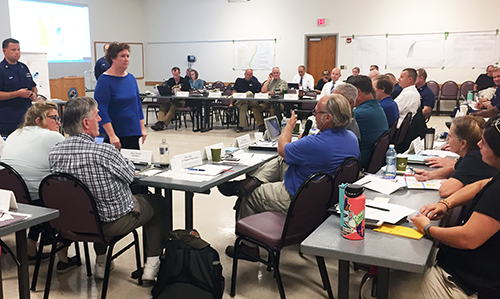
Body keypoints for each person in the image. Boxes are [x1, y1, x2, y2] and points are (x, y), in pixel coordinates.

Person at [362, 114, 500, 299]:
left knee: (371, 290)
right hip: (464, 269)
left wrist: (427, 228)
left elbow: (468, 238)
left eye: (484, 143)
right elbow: (480, 184)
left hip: (465, 284)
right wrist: (445, 204)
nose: (479, 145)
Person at [219, 94, 360, 260]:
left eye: (316, 112)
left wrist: (288, 126)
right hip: (324, 196)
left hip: (297, 197)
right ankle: (253, 180)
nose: (314, 115)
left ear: (328, 117)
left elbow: (282, 148)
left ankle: (247, 248)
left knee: (251, 195)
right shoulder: (351, 137)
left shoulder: (316, 144)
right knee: (281, 161)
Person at [49, 97, 169, 281]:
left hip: (73, 221)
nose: (100, 120)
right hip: (110, 223)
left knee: (93, 204)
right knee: (159, 204)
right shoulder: (104, 152)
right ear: (86, 122)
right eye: (97, 116)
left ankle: (101, 263)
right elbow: (130, 176)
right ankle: (151, 267)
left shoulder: (55, 153)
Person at [1, 100, 77, 273]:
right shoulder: (52, 136)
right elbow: (72, 166)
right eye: (54, 118)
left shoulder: (15, 134)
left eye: (59, 118)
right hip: (38, 199)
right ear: (38, 120)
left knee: (42, 190)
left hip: (15, 200)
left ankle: (30, 246)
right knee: (73, 198)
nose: (59, 123)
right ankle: (63, 258)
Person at [414, 116, 498, 198]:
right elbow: (453, 168)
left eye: (450, 136)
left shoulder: (474, 158)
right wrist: (429, 175)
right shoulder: (469, 153)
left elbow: (445, 191)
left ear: (462, 144)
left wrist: (450, 183)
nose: (447, 140)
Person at [94, 42, 146, 150]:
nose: (126, 59)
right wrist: (112, 135)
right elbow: (101, 110)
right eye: (122, 56)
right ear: (113, 58)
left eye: (127, 56)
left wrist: (142, 128)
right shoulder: (104, 80)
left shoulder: (131, 78)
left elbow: (137, 104)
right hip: (114, 135)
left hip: (132, 132)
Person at [347, 75, 389, 170]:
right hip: (368, 160)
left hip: (357, 164)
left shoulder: (358, 115)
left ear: (357, 92)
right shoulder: (377, 107)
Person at [0, 38, 38, 137]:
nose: (17, 53)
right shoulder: (1, 69)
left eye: (18, 49)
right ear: (4, 51)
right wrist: (17, 94)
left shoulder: (23, 67)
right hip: (9, 118)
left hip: (27, 116)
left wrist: (34, 94)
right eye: (13, 50)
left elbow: (33, 86)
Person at [151, 67, 190, 131]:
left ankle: (163, 124)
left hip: (181, 101)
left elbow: (188, 92)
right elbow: (167, 90)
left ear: (179, 73)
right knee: (163, 106)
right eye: (174, 75)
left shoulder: (185, 81)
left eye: (176, 75)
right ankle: (159, 122)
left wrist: (181, 92)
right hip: (172, 100)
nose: (175, 76)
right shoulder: (170, 81)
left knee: (173, 107)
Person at [254, 67, 288, 132]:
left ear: (279, 73)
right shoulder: (270, 82)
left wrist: (269, 92)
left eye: (277, 73)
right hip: (268, 102)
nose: (275, 74)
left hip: (279, 103)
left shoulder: (283, 82)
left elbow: (279, 91)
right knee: (256, 108)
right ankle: (261, 126)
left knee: (273, 109)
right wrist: (268, 80)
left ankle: (272, 128)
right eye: (274, 73)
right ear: (272, 74)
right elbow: (263, 90)